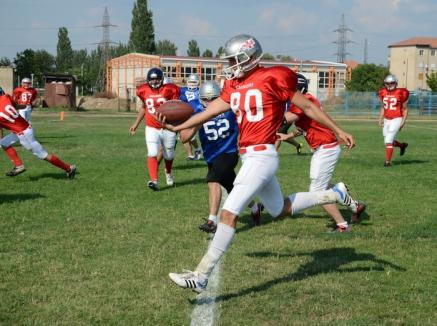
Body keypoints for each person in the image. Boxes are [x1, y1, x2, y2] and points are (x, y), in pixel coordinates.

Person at [158, 34, 356, 293]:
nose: (229, 64)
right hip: (250, 156)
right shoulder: (234, 85)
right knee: (280, 209)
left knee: (228, 214)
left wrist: (338, 130)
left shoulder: (274, 76)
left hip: (261, 155)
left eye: (233, 59)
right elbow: (210, 111)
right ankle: (334, 193)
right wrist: (180, 126)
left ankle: (201, 275)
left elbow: (307, 107)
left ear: (248, 58)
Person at [278, 73, 366, 227]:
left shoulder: (305, 101)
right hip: (324, 147)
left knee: (317, 191)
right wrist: (288, 136)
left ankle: (342, 224)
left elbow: (286, 119)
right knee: (322, 186)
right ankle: (353, 204)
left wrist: (265, 114)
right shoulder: (307, 101)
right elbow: (303, 127)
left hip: (326, 147)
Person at [179, 80, 262, 233]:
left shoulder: (230, 108)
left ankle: (212, 221)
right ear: (200, 98)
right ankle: (255, 207)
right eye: (206, 99)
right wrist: (200, 121)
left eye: (213, 99)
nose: (209, 102)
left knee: (212, 180)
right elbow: (184, 137)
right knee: (233, 188)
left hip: (229, 152)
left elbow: (248, 125)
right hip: (211, 156)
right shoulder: (197, 110)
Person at [0, 87, 76, 178]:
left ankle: (69, 168)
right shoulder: (6, 97)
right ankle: (18, 165)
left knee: (43, 155)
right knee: (4, 143)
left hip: (23, 133)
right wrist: (24, 106)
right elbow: (16, 106)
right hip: (24, 128)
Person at [129, 67, 180, 190]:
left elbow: (177, 107)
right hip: (151, 127)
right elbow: (144, 107)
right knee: (152, 152)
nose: (155, 82)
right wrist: (136, 124)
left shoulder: (170, 89)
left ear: (162, 79)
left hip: (168, 126)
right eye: (152, 80)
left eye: (157, 79)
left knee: (169, 155)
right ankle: (154, 180)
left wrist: (178, 124)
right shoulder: (143, 90)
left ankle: (168, 172)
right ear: (147, 80)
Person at [378, 74, 409, 167]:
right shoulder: (382, 92)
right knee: (387, 142)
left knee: (388, 140)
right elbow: (383, 107)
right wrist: (380, 119)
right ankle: (402, 146)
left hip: (397, 118)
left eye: (391, 83)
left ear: (395, 83)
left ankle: (388, 162)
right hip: (387, 119)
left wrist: (403, 122)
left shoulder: (401, 92)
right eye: (387, 83)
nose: (389, 85)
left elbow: (405, 109)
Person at [179, 74, 203, 160]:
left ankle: (197, 149)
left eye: (194, 82)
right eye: (190, 82)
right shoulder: (182, 90)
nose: (192, 84)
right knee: (183, 136)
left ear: (198, 83)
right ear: (187, 82)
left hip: (198, 115)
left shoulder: (201, 91)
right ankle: (191, 154)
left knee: (191, 136)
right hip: (186, 115)